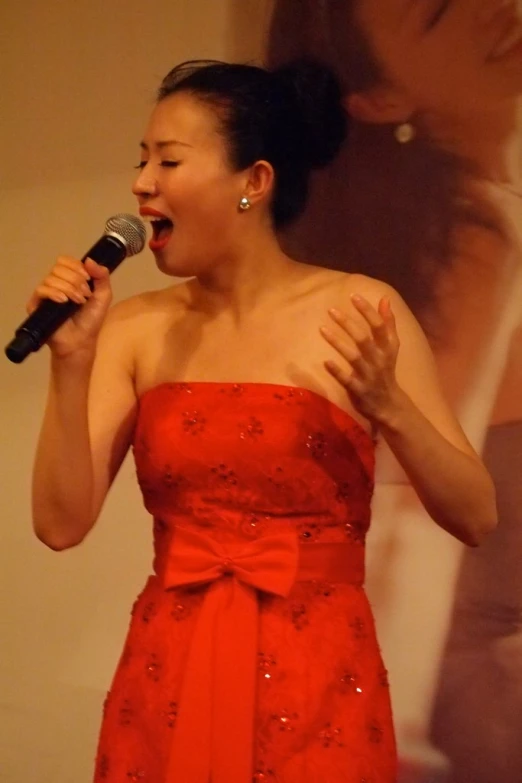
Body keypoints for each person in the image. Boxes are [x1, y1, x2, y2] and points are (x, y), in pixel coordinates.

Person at [28, 58, 496, 783]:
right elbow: (60, 524)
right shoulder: (133, 329)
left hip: (320, 683)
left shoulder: (359, 309)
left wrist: (391, 407)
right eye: (141, 160)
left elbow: (476, 513)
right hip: (169, 671)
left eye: (169, 160)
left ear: (255, 181)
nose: (141, 183)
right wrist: (72, 362)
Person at [267, 2, 522, 778]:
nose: (497, 10)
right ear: (379, 100)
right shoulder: (470, 241)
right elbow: (407, 523)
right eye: (439, 12)